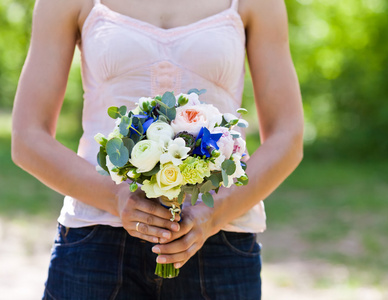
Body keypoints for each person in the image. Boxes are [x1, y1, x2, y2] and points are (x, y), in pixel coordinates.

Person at [11, 0, 303, 298]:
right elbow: (28, 138)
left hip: (221, 242)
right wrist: (117, 198)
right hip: (96, 241)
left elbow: (287, 137)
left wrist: (212, 215)